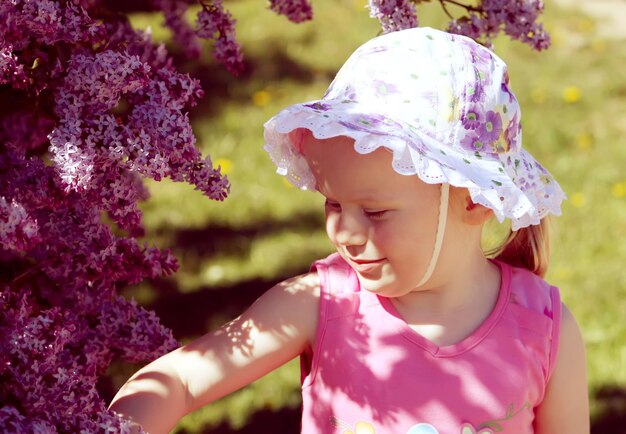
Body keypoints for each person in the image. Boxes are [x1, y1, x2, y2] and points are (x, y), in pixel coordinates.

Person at [109, 27, 589, 433]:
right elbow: (178, 381)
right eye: (332, 202)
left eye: (375, 212)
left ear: (474, 199)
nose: (344, 231)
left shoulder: (544, 329)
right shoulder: (322, 303)